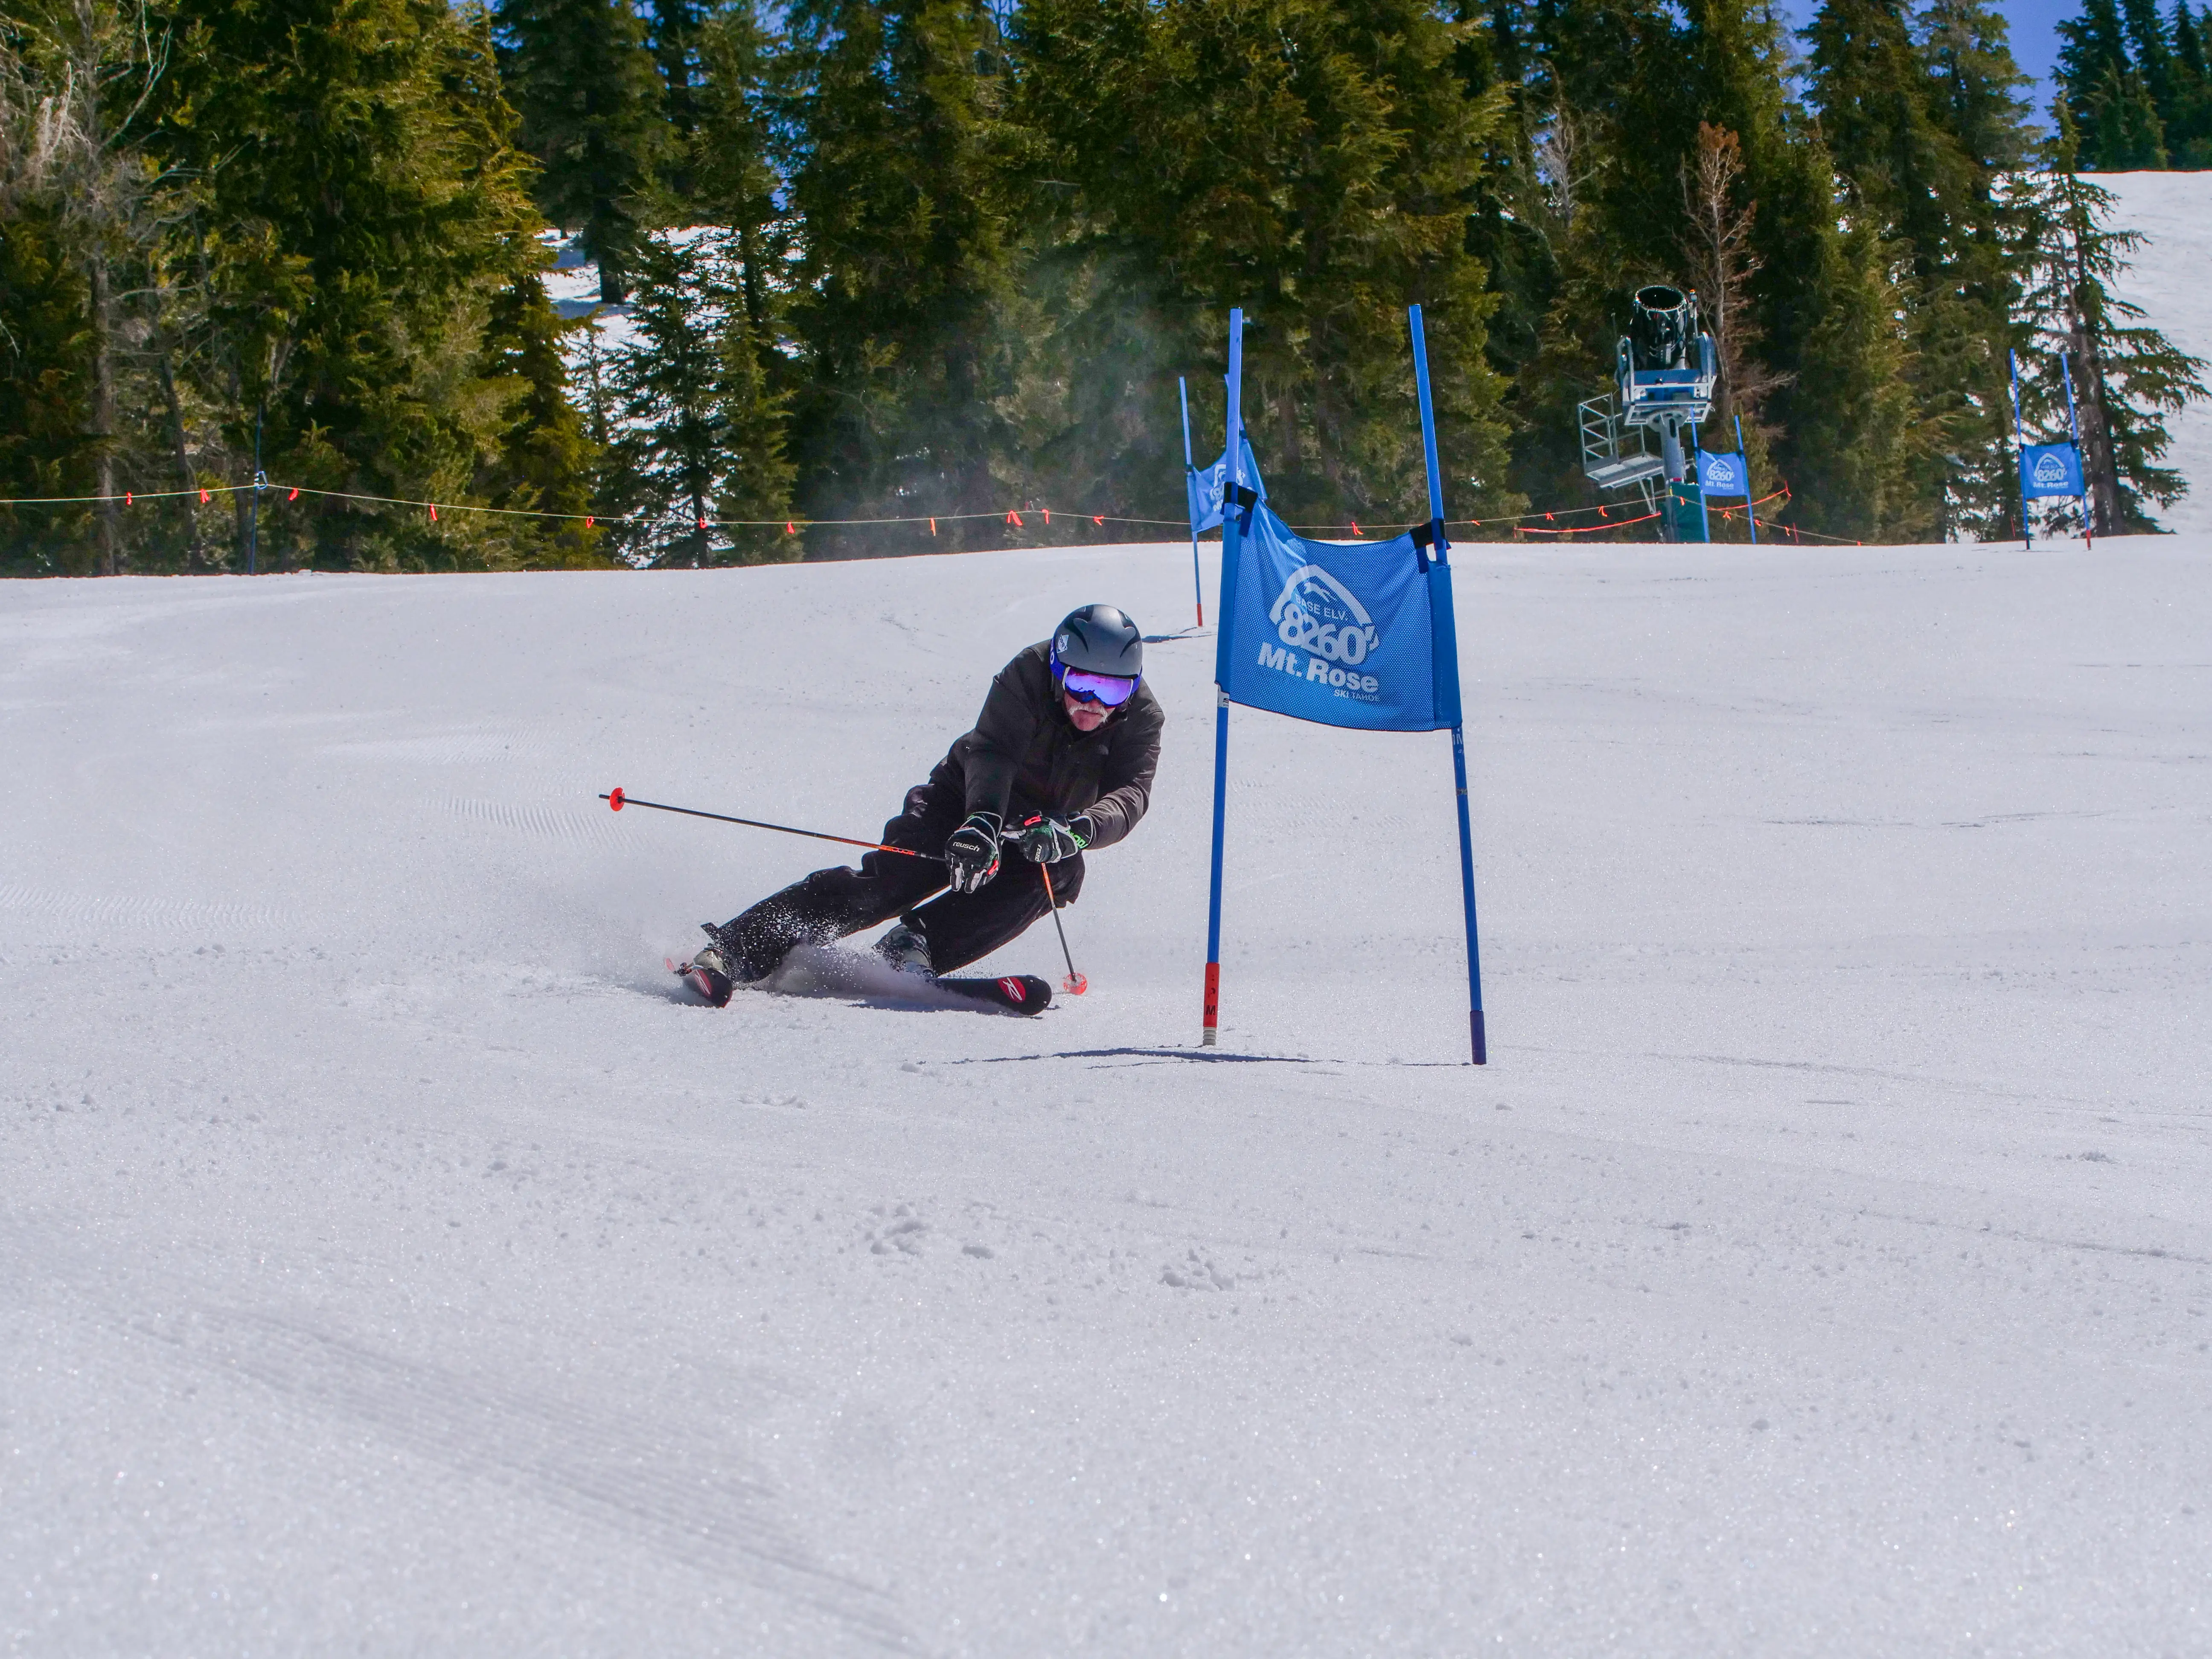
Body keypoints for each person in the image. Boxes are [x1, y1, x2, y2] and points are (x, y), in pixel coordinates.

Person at [680, 604, 1163, 1005]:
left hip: (1043, 824)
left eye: (1114, 690)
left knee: (1057, 873)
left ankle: (917, 943)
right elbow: (993, 752)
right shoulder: (1027, 675)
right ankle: (736, 948)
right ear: (1059, 671)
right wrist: (981, 822)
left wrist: (1077, 830)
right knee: (895, 882)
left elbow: (1131, 796)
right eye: (1084, 686)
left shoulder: (1140, 718)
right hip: (963, 798)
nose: (1096, 705)